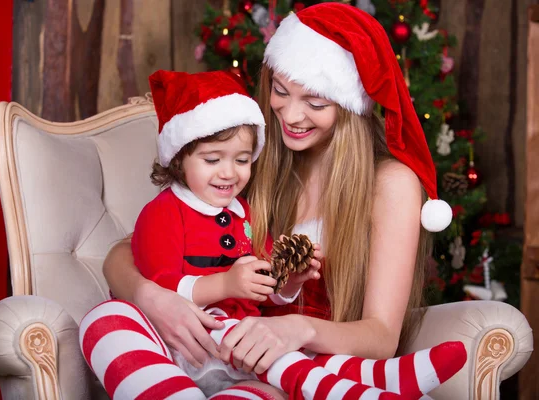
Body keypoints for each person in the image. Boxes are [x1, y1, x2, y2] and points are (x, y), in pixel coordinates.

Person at [81, 3, 462, 399]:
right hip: (221, 347)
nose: (291, 114)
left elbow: (382, 335)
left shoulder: (390, 183)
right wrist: (155, 298)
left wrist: (298, 330)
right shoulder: (247, 163)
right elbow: (124, 253)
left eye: (315, 103)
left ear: (350, 105)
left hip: (301, 365)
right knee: (106, 323)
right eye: (280, 91)